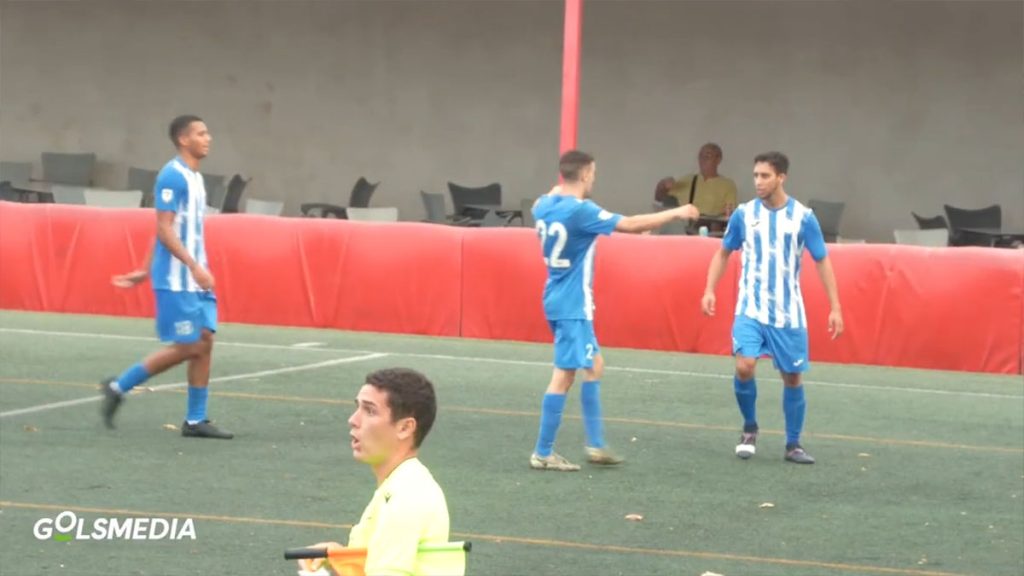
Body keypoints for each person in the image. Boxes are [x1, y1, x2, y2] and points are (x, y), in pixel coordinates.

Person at [530, 149, 700, 471]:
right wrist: (676, 213)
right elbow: (632, 224)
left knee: (594, 364)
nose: (594, 178)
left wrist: (557, 190)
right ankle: (543, 452)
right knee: (563, 376)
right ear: (583, 175)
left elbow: (549, 195)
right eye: (592, 173)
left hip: (557, 296)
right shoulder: (582, 212)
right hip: (571, 304)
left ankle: (595, 444)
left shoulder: (543, 206)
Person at [701, 151, 843, 464]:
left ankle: (793, 445)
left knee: (792, 377)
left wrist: (835, 307)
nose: (758, 182)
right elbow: (723, 252)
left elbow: (822, 260)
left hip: (788, 312)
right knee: (744, 365)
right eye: (755, 175)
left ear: (781, 177)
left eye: (765, 176)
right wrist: (709, 289)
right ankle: (749, 428)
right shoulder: (744, 214)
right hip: (750, 307)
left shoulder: (803, 217)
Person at [100, 115, 231, 439]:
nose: (208, 138)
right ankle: (118, 386)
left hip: (193, 277)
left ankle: (196, 420)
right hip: (178, 279)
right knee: (190, 346)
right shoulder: (172, 176)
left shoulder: (196, 178)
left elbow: (164, 229)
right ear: (184, 140)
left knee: (205, 342)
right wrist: (193, 266)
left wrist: (145, 267)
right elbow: (163, 227)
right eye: (201, 133)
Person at [297, 368, 451, 576]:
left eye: (370, 411)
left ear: (405, 428)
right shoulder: (400, 485)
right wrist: (344, 559)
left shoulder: (406, 498)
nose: (353, 419)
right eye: (357, 407)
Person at [655, 143, 738, 231]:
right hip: (686, 231)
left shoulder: (727, 184)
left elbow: (729, 214)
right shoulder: (688, 180)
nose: (702, 160)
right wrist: (662, 185)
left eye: (707, 156)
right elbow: (659, 198)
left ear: (718, 160)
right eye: (700, 156)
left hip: (711, 231)